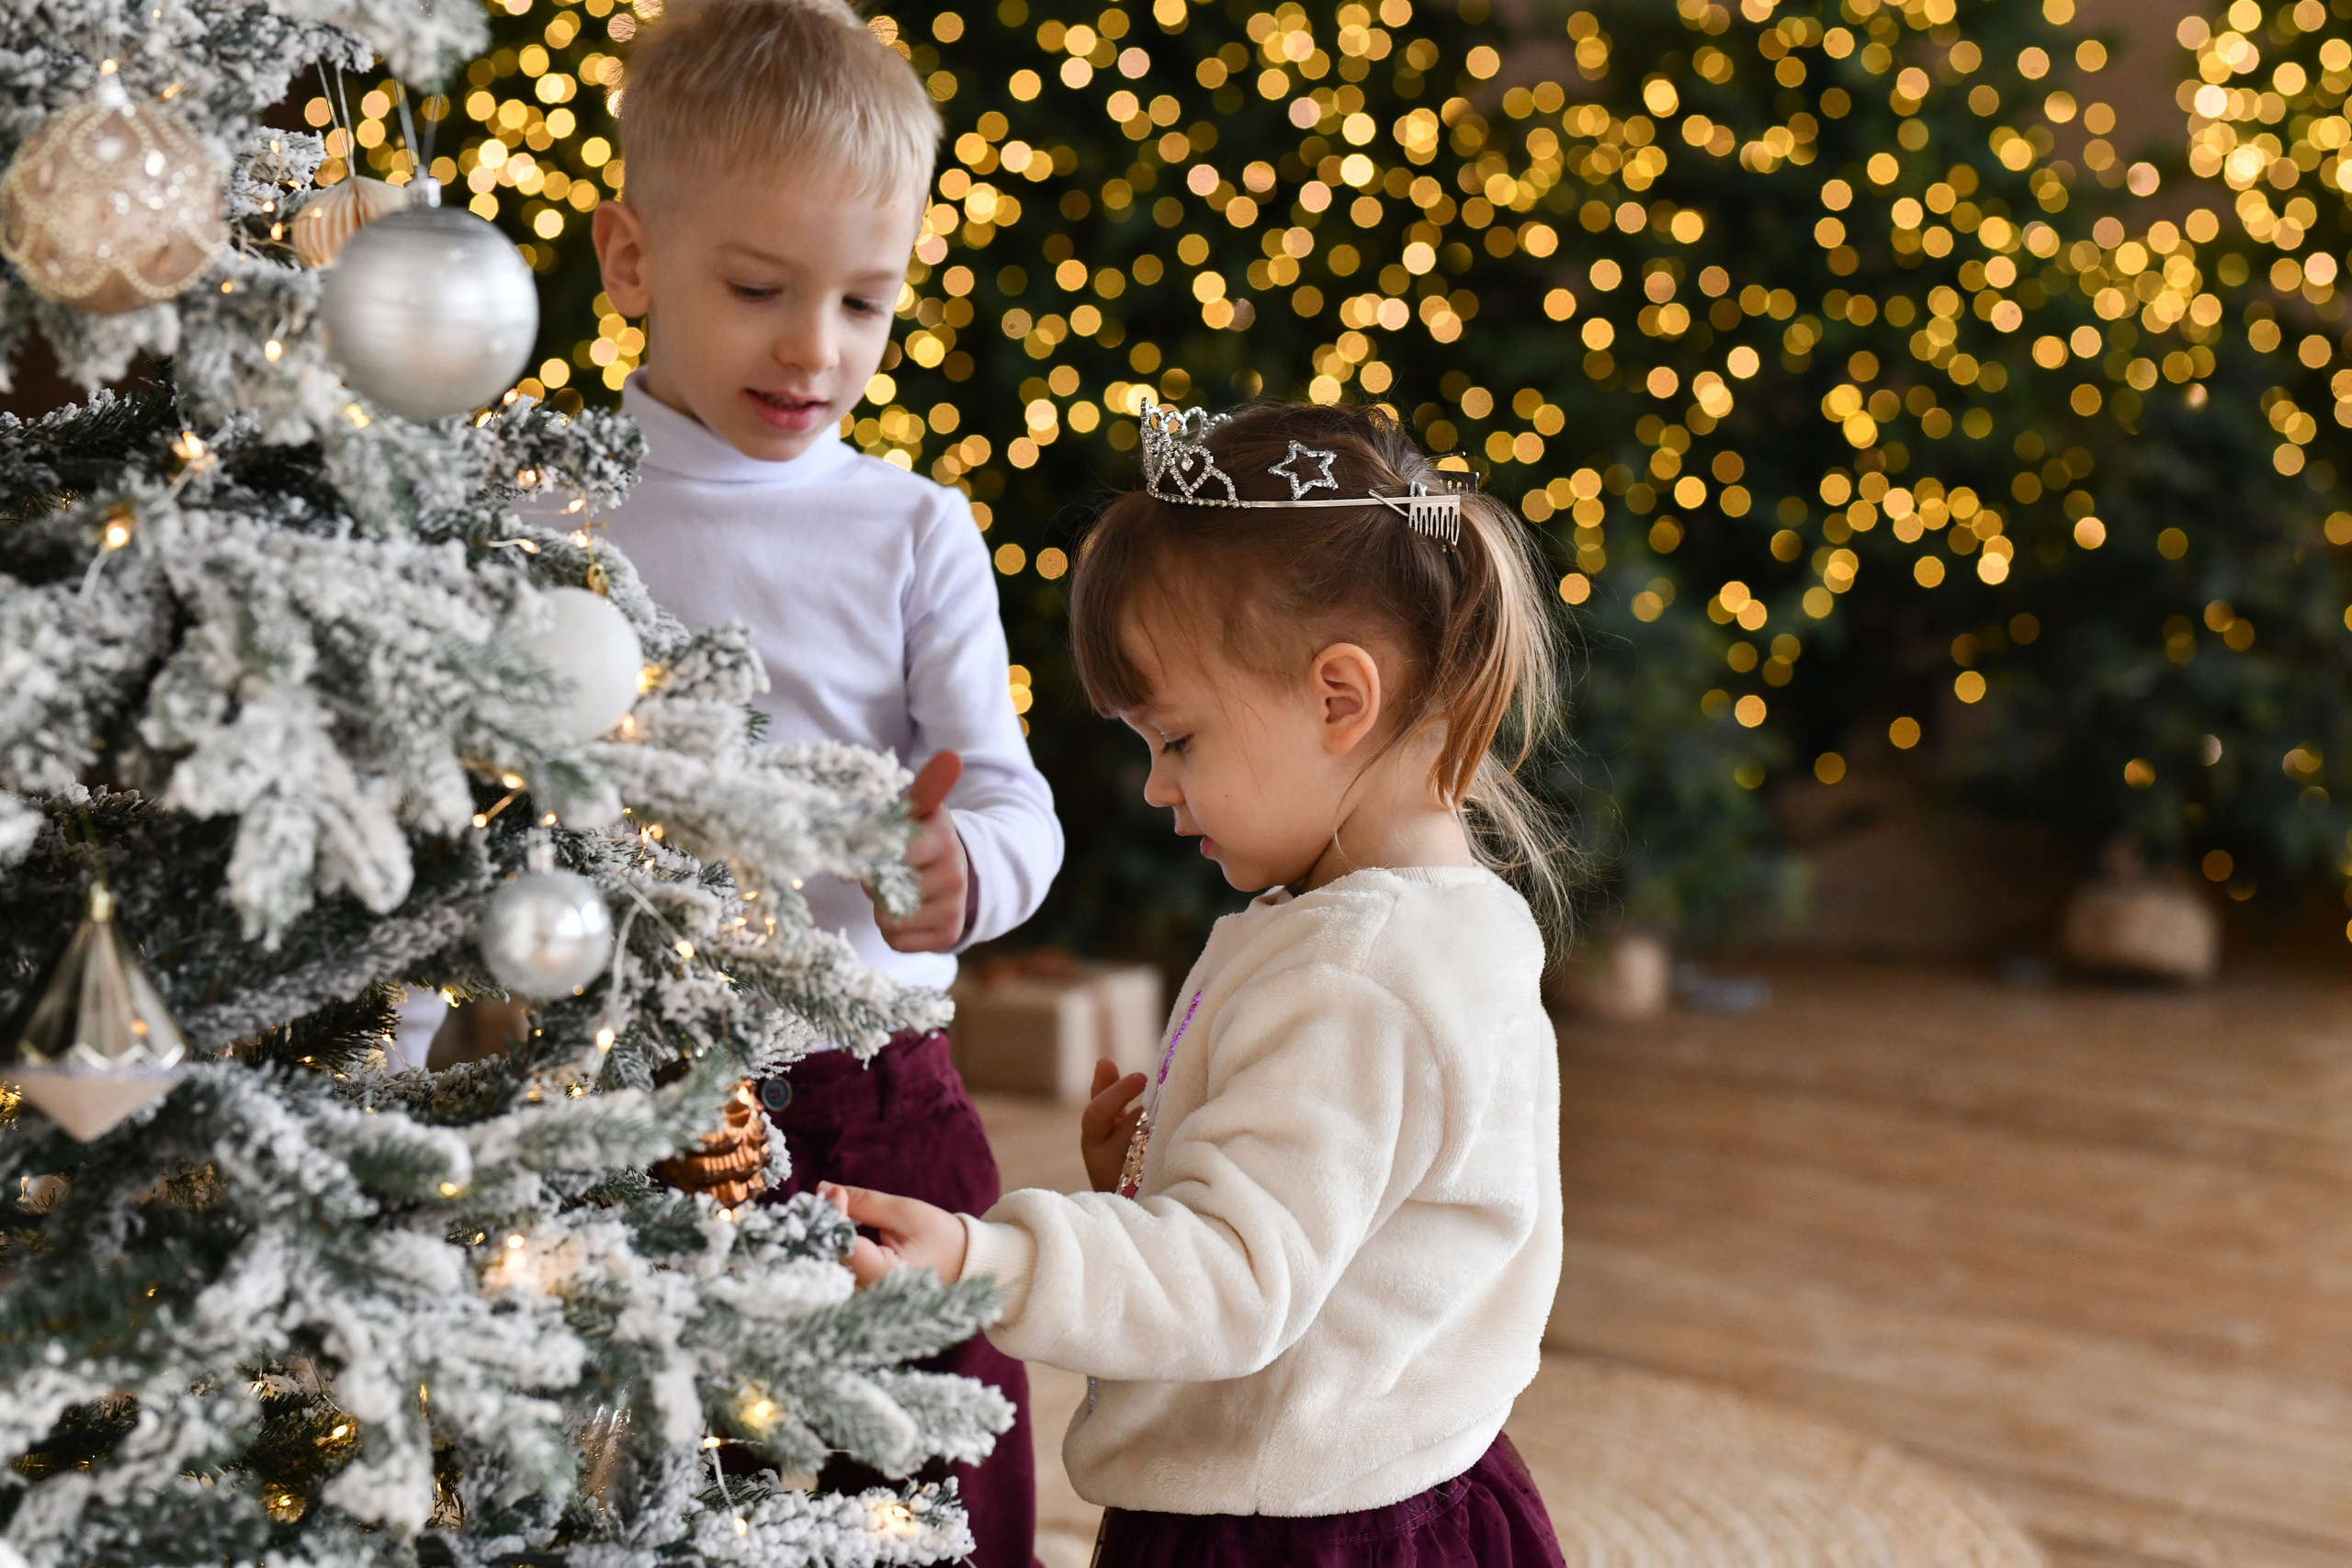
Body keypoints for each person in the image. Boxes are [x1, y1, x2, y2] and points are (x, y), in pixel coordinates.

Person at [827, 400, 1570, 1566]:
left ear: (1339, 700)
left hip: (1286, 1532)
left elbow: (1236, 1279)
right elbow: (1340, 1233)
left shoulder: (1353, 978)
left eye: (1176, 739)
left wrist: (990, 1262)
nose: (1155, 790)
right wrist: (1160, 1173)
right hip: (1403, 1484)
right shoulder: (1441, 925)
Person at [585, 3, 1062, 1562]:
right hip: (616, 1102)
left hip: (875, 1102)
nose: (817, 349)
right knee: (638, 1481)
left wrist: (959, 878)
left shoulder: (911, 531)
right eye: (759, 290)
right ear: (633, 259)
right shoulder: (549, 512)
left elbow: (1008, 801)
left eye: (867, 301)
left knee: (926, 1478)